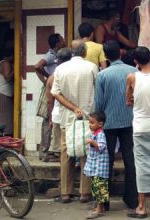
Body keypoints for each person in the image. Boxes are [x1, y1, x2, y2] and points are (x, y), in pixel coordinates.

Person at [51, 40, 98, 203]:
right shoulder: (92, 67)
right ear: (84, 52)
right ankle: (85, 193)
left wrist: (72, 107)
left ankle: (65, 193)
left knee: (66, 153)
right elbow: (97, 90)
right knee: (86, 152)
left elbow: (55, 93)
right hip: (88, 117)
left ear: (72, 52)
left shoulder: (60, 69)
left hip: (68, 118)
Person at [94, 40, 139, 214]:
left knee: (106, 162)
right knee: (130, 160)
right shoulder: (134, 71)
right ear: (120, 53)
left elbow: (98, 103)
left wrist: (97, 122)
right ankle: (132, 199)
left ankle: (104, 202)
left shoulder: (102, 75)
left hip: (108, 122)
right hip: (130, 121)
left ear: (105, 56)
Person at [125, 46, 150, 218]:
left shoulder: (132, 77)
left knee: (141, 166)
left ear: (135, 61)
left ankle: (142, 206)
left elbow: (128, 101)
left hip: (140, 127)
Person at [34, 33, 65, 161]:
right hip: (51, 90)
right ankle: (45, 152)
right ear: (57, 44)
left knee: (51, 120)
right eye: (62, 40)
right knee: (48, 120)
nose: (64, 41)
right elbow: (37, 66)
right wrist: (48, 77)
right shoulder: (51, 55)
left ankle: (47, 151)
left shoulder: (55, 55)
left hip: (52, 88)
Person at [45, 48, 73, 163]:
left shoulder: (52, 77)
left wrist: (50, 118)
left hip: (57, 113)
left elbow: (49, 101)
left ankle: (58, 156)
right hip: (73, 112)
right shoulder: (73, 74)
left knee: (57, 141)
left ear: (58, 61)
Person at [84, 112, 109, 219]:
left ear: (100, 124)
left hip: (100, 167)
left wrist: (92, 142)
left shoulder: (100, 134)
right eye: (89, 122)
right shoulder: (95, 134)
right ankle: (99, 207)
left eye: (92, 123)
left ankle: (99, 208)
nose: (90, 125)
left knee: (100, 187)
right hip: (95, 167)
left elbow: (101, 146)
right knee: (95, 186)